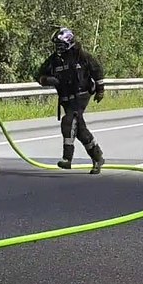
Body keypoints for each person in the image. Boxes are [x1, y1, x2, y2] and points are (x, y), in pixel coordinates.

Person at [35, 27, 106, 174]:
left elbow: (97, 70)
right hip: (66, 98)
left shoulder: (82, 56)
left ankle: (67, 159)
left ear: (69, 41)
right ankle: (97, 157)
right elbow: (39, 75)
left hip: (81, 95)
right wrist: (47, 79)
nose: (58, 48)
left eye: (60, 44)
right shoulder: (54, 60)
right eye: (56, 45)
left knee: (68, 120)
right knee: (80, 131)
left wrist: (100, 90)